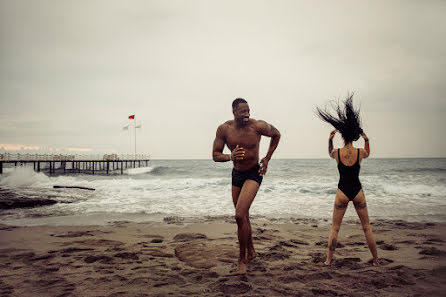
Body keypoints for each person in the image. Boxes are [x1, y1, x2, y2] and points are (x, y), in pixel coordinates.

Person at [212, 98, 281, 274]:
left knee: (239, 215)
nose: (247, 114)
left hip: (253, 173)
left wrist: (267, 158)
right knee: (244, 218)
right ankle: (251, 251)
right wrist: (230, 157)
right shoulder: (224, 129)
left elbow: (277, 134)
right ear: (234, 111)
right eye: (243, 111)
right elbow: (215, 154)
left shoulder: (257, 126)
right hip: (237, 174)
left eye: (248, 111)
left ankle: (241, 258)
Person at [316, 94, 379, 266]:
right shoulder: (360, 153)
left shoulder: (337, 153)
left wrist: (329, 140)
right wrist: (366, 138)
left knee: (335, 228)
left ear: (342, 136)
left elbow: (329, 153)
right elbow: (368, 152)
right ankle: (376, 261)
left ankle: (328, 260)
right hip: (358, 191)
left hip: (342, 192)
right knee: (367, 228)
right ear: (353, 136)